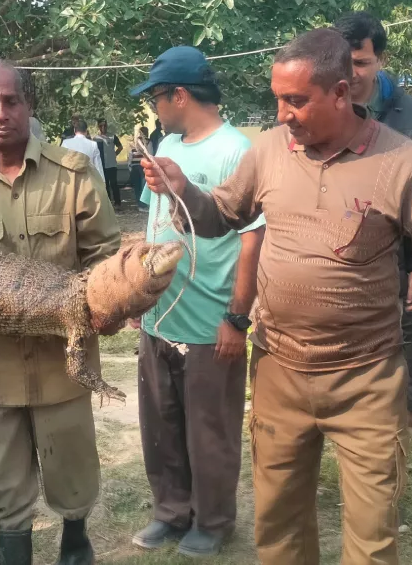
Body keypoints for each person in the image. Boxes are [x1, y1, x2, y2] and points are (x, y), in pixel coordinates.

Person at [142, 28, 412, 565]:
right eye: (278, 98)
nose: (283, 114)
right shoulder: (269, 151)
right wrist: (185, 190)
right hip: (279, 371)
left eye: (296, 100)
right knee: (278, 530)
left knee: (372, 539)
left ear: (342, 92)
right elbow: (221, 218)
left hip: (366, 380)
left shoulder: (405, 164)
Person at [0, 60, 121, 565]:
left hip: (66, 360)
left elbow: (106, 261)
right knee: (6, 485)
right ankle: (12, 551)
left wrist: (107, 305)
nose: (0, 113)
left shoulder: (72, 176)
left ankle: (76, 545)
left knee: (73, 475)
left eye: (10, 101)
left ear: (27, 104)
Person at [127, 46, 265, 557]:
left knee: (210, 431)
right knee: (160, 424)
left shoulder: (236, 151)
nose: (154, 108)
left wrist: (237, 317)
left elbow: (253, 238)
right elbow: (153, 223)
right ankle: (171, 511)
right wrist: (139, 297)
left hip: (211, 321)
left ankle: (212, 520)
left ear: (178, 95)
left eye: (157, 97)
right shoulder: (166, 144)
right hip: (160, 316)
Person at [334, 11, 412, 435]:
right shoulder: (332, 103)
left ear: (380, 58)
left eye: (360, 63)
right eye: (344, 63)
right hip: (345, 238)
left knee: (408, 321)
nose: (352, 73)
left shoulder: (409, 114)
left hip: (397, 240)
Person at [95, 118, 123, 206]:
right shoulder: (95, 138)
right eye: (101, 126)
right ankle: (108, 203)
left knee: (114, 184)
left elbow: (120, 147)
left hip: (112, 164)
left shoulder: (112, 136)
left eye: (105, 125)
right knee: (105, 184)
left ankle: (118, 202)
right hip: (102, 165)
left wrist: (114, 154)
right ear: (98, 126)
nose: (103, 127)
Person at [129, 126, 148, 205]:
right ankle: (142, 204)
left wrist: (130, 168)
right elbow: (150, 154)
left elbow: (129, 158)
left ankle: (140, 204)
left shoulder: (133, 143)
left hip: (135, 166)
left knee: (138, 186)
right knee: (142, 186)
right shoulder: (148, 142)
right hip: (142, 166)